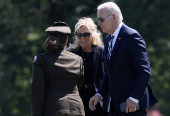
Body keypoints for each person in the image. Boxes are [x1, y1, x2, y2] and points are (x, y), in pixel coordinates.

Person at [89, 2, 158, 116]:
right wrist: (99, 94)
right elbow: (108, 73)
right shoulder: (108, 39)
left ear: (114, 17)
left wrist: (134, 98)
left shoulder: (132, 36)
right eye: (98, 19)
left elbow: (144, 72)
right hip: (115, 106)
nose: (99, 23)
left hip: (132, 107)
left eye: (101, 19)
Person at [31, 22, 85, 116]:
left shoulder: (41, 59)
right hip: (77, 110)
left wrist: (36, 114)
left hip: (54, 110)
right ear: (66, 41)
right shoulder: (78, 59)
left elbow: (37, 92)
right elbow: (79, 84)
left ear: (49, 39)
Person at [67, 17, 111, 116]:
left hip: (99, 100)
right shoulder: (69, 53)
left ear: (93, 35)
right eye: (79, 35)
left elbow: (109, 77)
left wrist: (100, 95)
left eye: (86, 34)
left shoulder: (102, 52)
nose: (82, 38)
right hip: (77, 101)